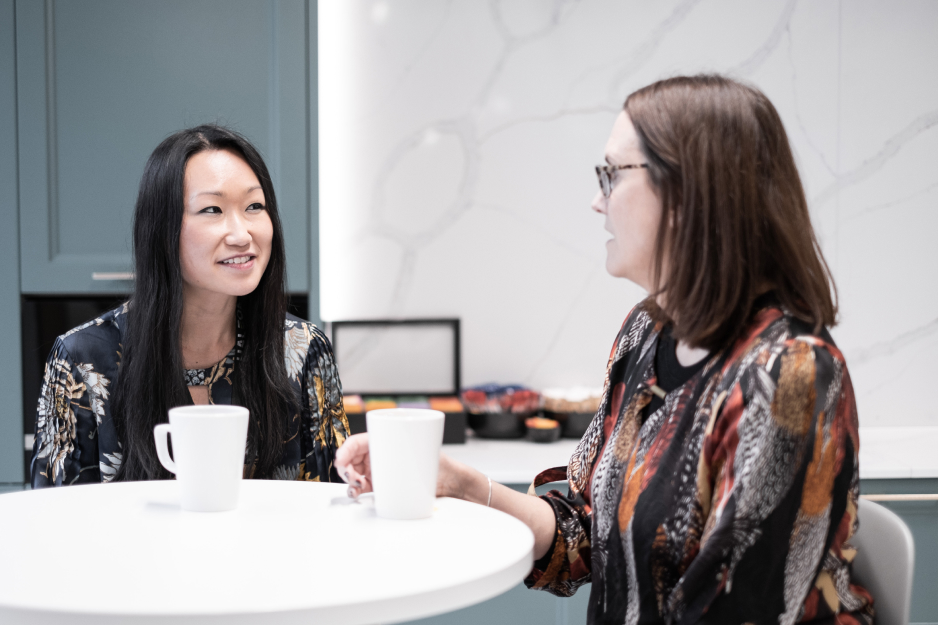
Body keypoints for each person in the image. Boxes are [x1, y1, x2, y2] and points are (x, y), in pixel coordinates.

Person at [336, 75, 873, 624]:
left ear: (690, 192)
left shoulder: (789, 374)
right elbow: (582, 534)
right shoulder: (644, 335)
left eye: (612, 175)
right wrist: (462, 485)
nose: (597, 201)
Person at [32, 124, 349, 486]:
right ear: (161, 229)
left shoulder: (303, 351)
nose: (242, 234)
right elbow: (54, 521)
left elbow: (333, 507)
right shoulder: (82, 361)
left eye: (254, 206)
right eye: (212, 209)